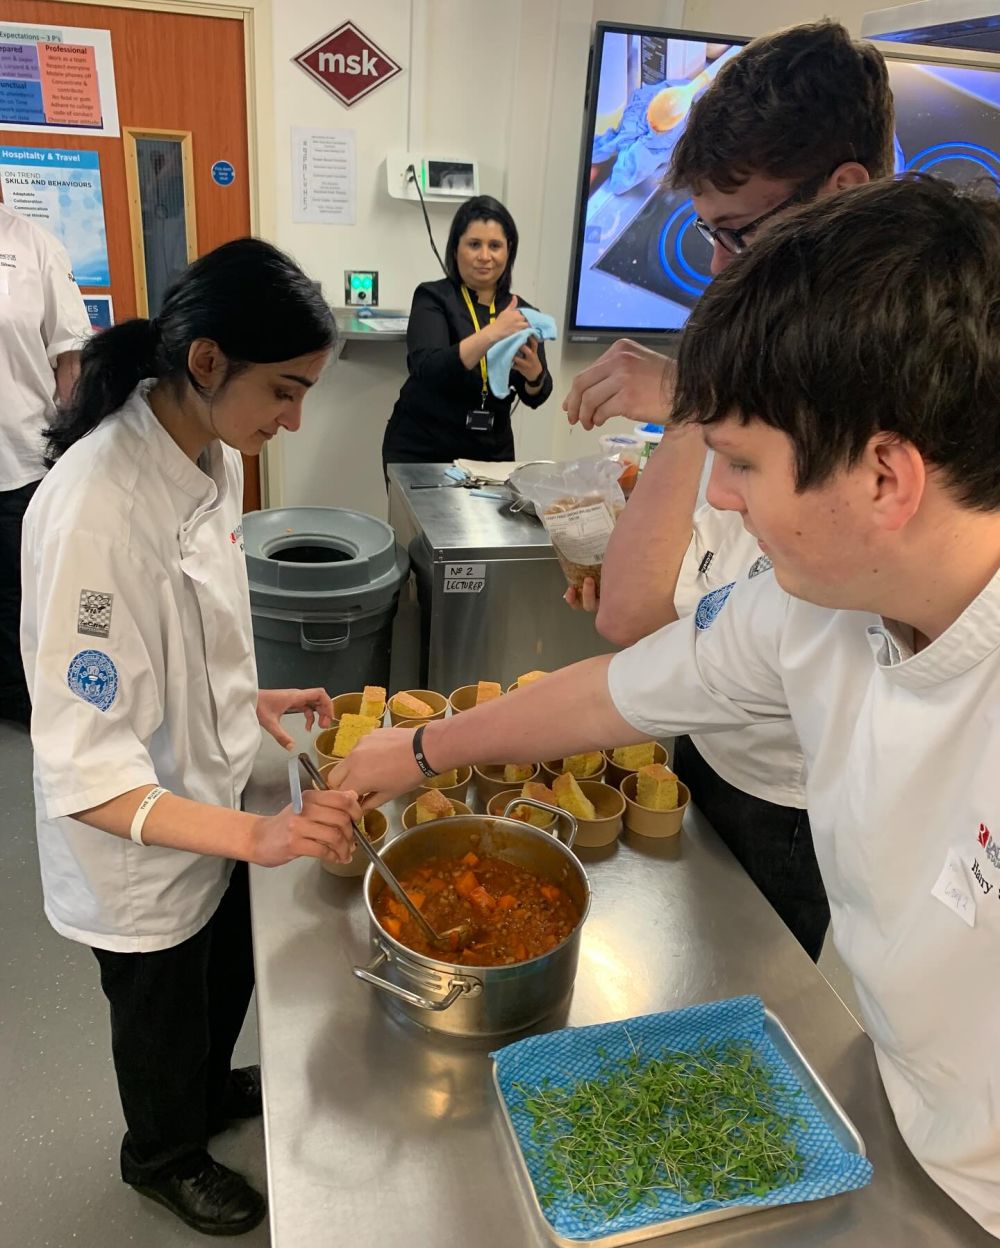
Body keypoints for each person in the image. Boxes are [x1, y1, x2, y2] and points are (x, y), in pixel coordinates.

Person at [331, 176, 1000, 1236]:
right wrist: (416, 751)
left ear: (885, 478)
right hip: (895, 1109)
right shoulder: (810, 607)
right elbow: (615, 689)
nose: (718, 498)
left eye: (738, 464)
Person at [20, 238, 362, 1237]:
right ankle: (161, 1154)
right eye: (286, 391)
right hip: (138, 844)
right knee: (161, 1011)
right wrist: (259, 838)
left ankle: (207, 1096)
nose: (293, 419)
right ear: (207, 362)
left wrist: (246, 702)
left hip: (210, 788)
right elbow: (85, 769)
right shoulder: (95, 513)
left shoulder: (209, 455)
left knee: (222, 982)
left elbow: (187, 634)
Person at [561, 21, 896, 962]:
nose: (718, 268)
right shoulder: (758, 351)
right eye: (706, 234)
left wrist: (694, 398)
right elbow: (646, 604)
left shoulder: (904, 374)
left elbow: (643, 615)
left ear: (843, 194)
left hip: (802, 796)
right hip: (714, 744)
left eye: (739, 234)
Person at [382, 195, 553, 473]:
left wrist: (534, 376)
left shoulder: (521, 311)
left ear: (508, 250)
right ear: (456, 249)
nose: (485, 256)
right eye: (474, 244)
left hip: (490, 452)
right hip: (423, 448)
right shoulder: (433, 297)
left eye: (495, 245)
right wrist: (492, 333)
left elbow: (536, 395)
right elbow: (427, 369)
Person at [0, 200, 91, 726]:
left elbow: (70, 361)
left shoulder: (33, 245)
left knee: (25, 590)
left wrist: (73, 450)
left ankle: (26, 702)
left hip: (21, 458)